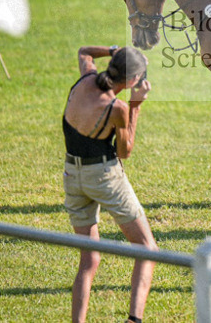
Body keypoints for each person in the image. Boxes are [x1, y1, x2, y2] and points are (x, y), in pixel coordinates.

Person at [63, 45, 156, 323]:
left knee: (89, 260)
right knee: (146, 248)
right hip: (103, 176)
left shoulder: (85, 78)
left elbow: (83, 52)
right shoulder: (118, 108)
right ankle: (133, 320)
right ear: (130, 83)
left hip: (72, 174)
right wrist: (136, 106)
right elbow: (125, 150)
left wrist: (114, 49)